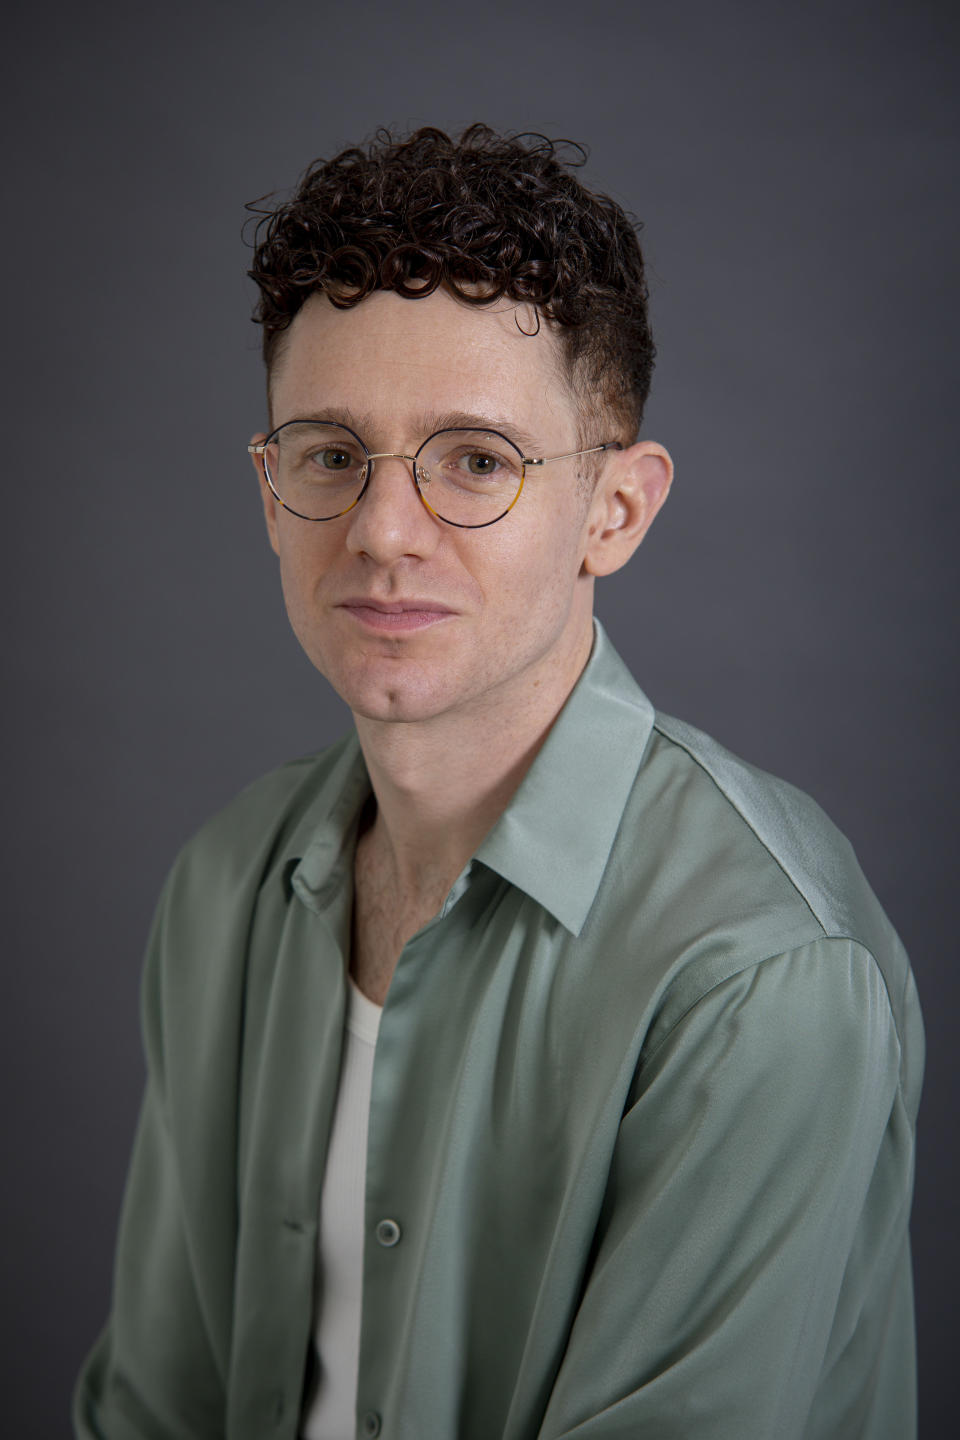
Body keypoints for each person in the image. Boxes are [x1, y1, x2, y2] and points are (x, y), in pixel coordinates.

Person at [74, 124, 923, 1440]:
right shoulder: (223, 886)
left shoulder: (761, 975)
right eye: (330, 454)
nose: (381, 530)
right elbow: (150, 1411)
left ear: (614, 513)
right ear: (269, 490)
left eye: (475, 459)